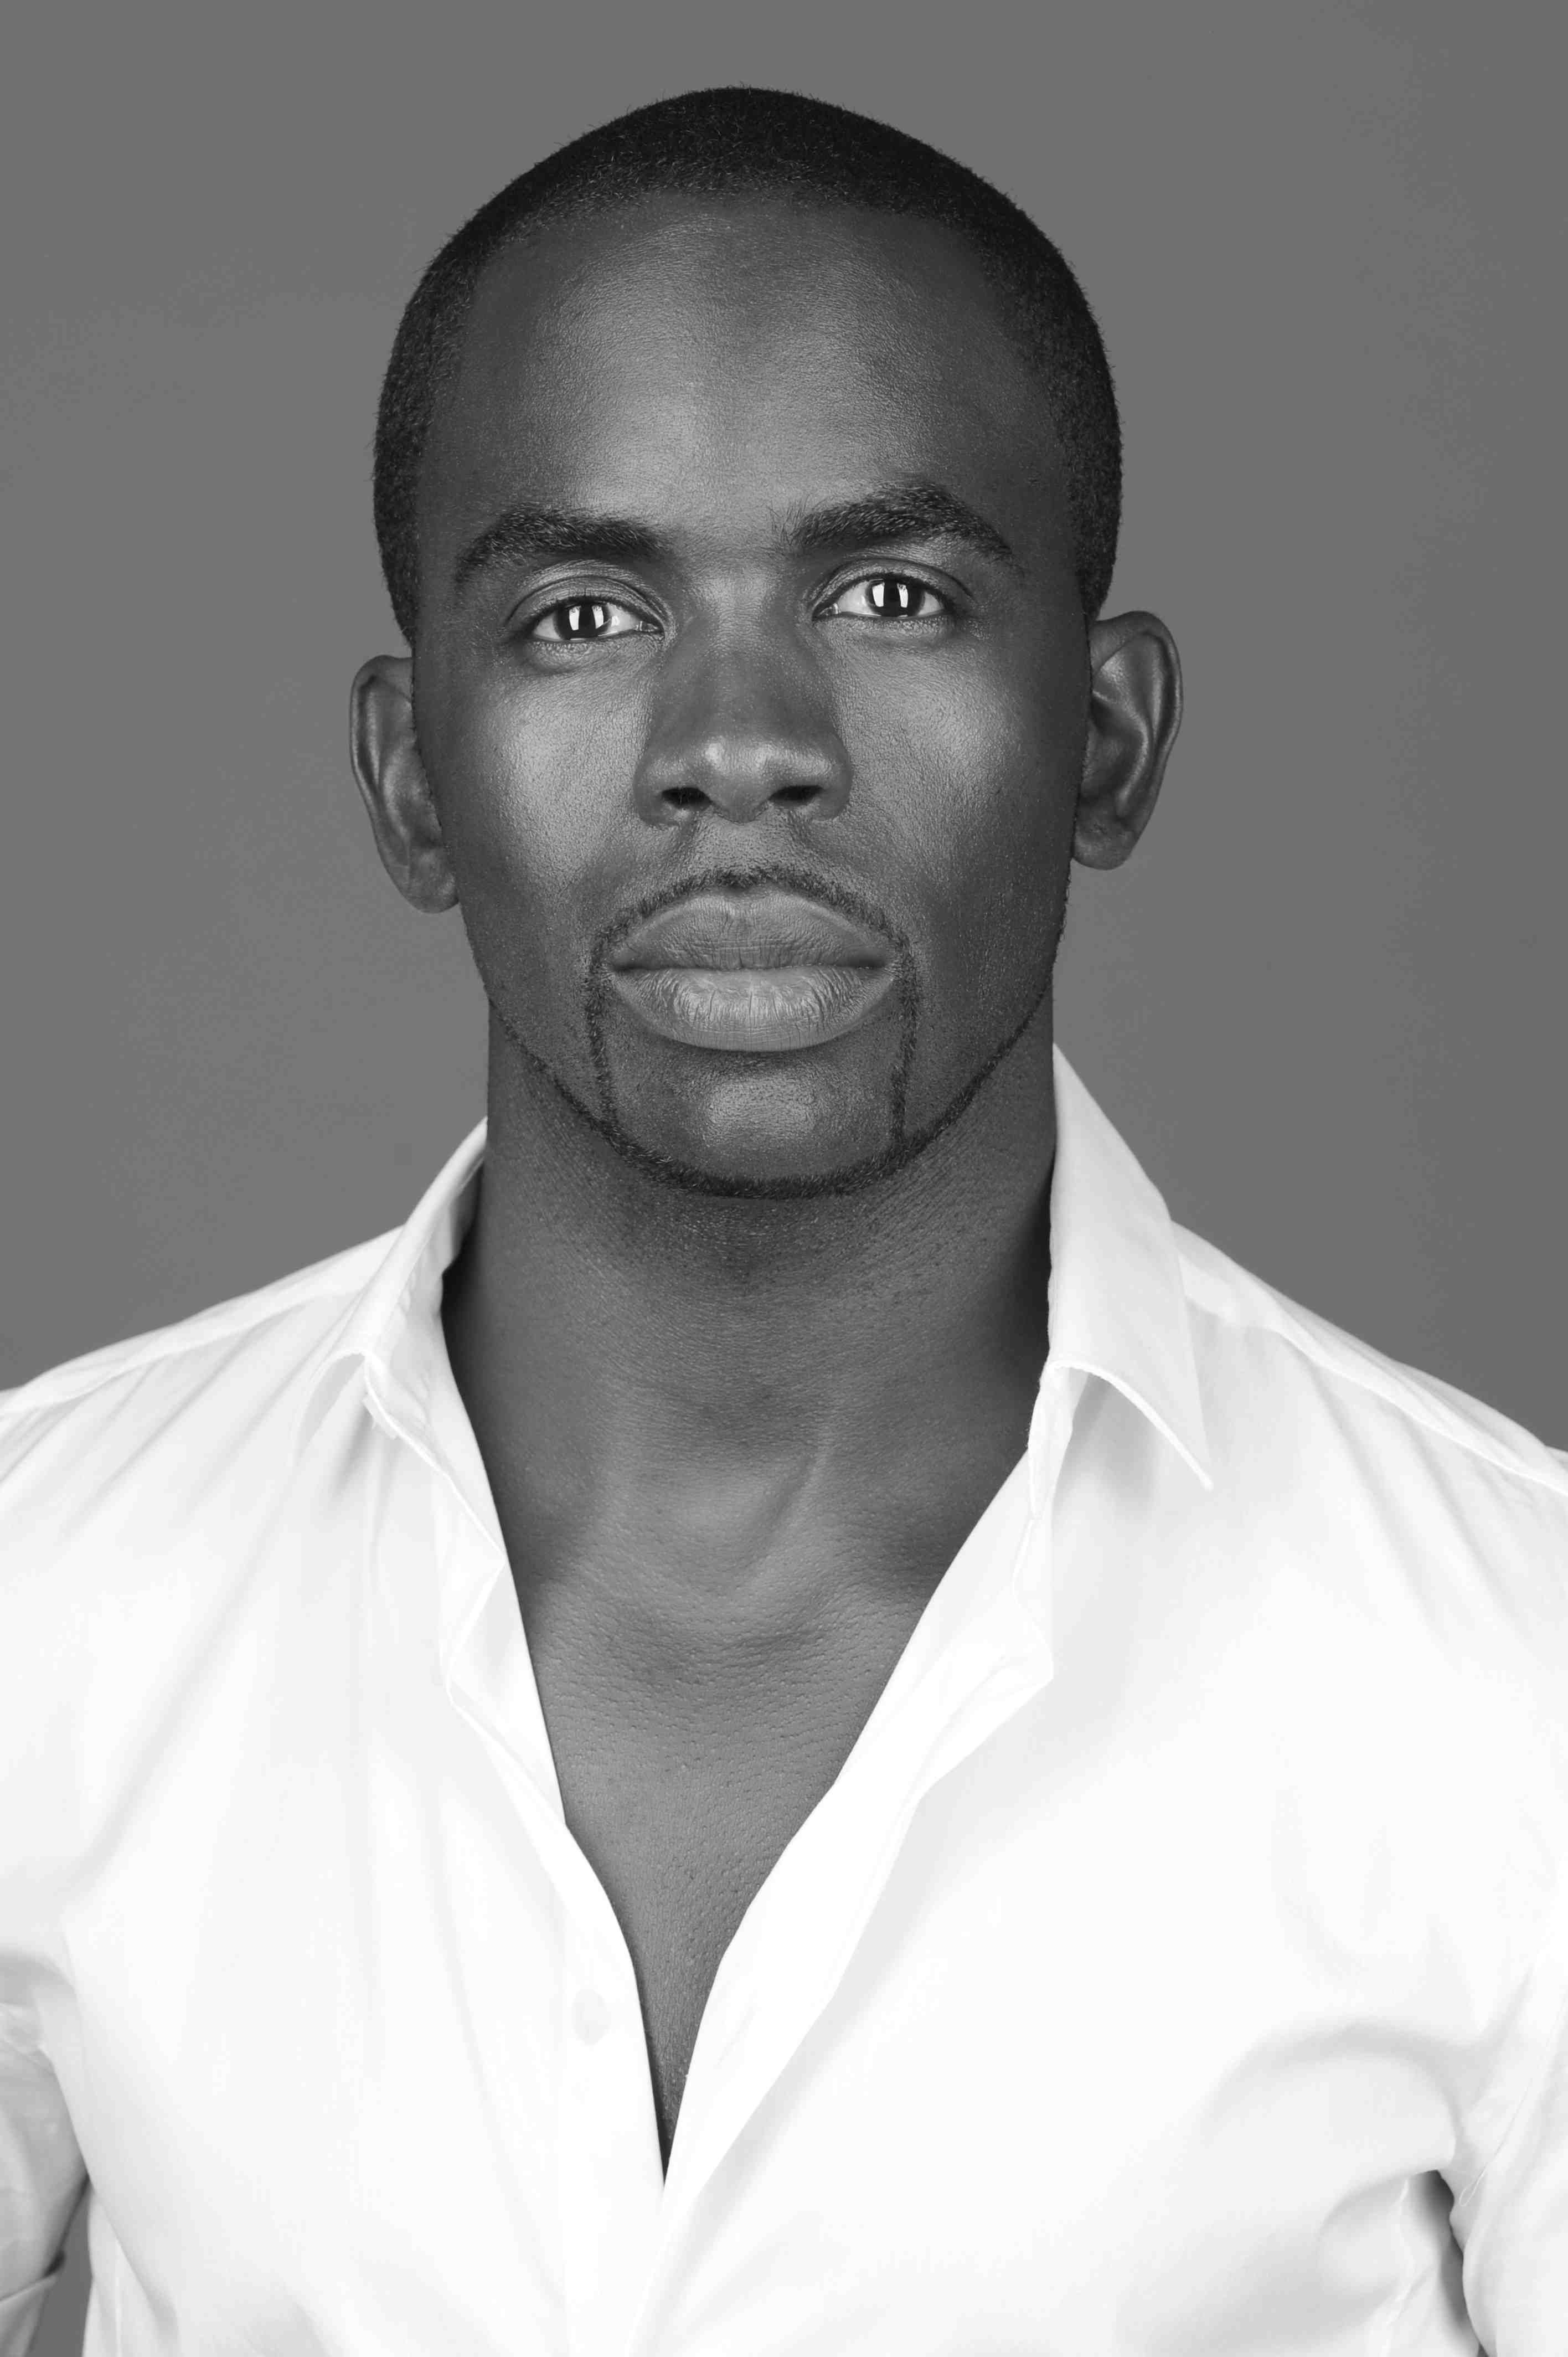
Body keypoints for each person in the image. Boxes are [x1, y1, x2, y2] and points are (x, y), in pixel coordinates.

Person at [2, 82, 1564, 2357]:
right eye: (584, 610)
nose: (741, 741)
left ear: (1107, 735)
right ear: (411, 776)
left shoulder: (1517, 1680)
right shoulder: (43, 1598)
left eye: (892, 594)